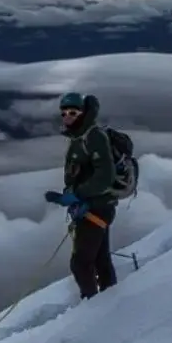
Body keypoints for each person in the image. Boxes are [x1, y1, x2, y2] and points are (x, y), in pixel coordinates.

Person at [44, 92, 121, 300]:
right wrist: (67, 196)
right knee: (100, 259)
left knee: (80, 263)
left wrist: (76, 195)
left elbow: (105, 176)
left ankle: (92, 308)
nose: (67, 116)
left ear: (83, 113)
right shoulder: (79, 137)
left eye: (72, 112)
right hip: (92, 206)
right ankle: (111, 302)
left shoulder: (93, 136)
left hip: (97, 208)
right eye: (63, 113)